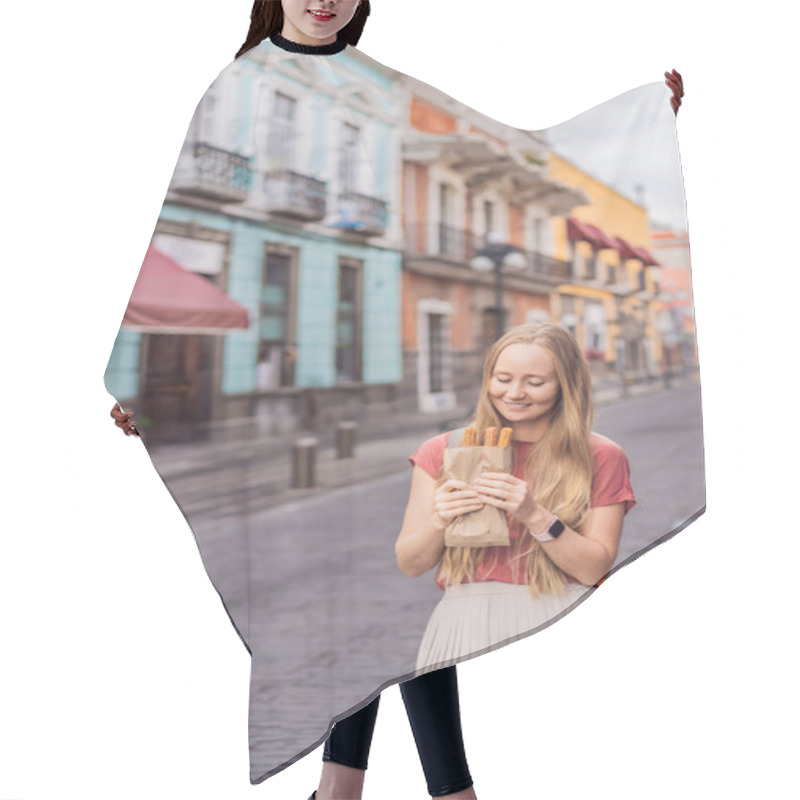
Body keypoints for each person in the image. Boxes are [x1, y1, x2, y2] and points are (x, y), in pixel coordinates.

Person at [107, 2, 679, 798]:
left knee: (390, 618)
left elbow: (531, 144)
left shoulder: (381, 84)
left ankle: (347, 789)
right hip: (298, 419)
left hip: (397, 441)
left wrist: (646, 115)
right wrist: (141, 393)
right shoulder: (234, 80)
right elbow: (164, 236)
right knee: (366, 618)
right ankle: (388, 788)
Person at [397, 323, 636, 676]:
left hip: (560, 620)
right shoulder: (443, 451)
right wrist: (439, 521)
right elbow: (411, 563)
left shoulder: (600, 455)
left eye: (535, 382)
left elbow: (594, 568)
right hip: (463, 627)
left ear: (565, 386)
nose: (514, 393)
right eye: (503, 378)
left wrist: (535, 515)